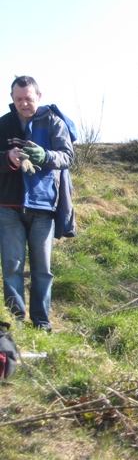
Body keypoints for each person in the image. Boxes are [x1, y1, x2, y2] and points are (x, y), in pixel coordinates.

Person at [0, 76, 74, 331]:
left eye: (28, 99)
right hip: (8, 206)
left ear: (38, 97)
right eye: (18, 99)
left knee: (42, 268)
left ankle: (41, 322)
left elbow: (67, 156)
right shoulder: (4, 124)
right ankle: (16, 322)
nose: (24, 104)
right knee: (12, 266)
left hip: (43, 206)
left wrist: (45, 155)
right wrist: (8, 158)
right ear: (12, 99)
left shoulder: (54, 122)